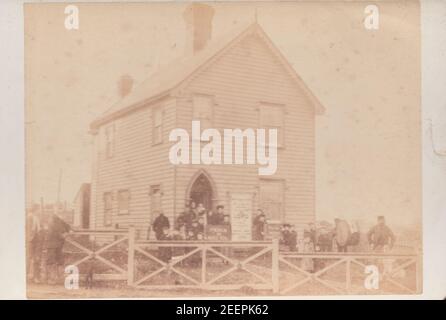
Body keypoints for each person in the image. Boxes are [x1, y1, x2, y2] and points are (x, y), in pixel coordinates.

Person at [44, 213, 71, 284]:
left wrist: (68, 231)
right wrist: (65, 234)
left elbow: (68, 227)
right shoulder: (52, 222)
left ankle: (57, 278)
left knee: (59, 261)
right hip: (52, 245)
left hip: (58, 245)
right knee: (51, 261)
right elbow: (58, 233)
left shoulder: (60, 221)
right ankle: (50, 279)